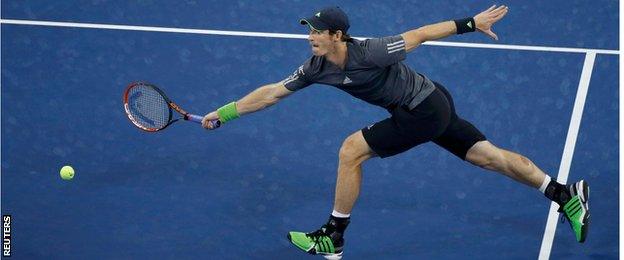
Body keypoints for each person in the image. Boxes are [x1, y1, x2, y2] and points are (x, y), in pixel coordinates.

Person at [201, 5, 590, 259]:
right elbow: (271, 94)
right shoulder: (315, 68)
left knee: (351, 150)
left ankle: (333, 236)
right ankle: (563, 193)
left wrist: (470, 23)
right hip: (432, 102)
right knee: (487, 156)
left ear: (338, 35)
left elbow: (419, 33)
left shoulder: (371, 50)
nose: (310, 36)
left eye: (317, 31)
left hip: (422, 108)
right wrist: (224, 113)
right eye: (310, 30)